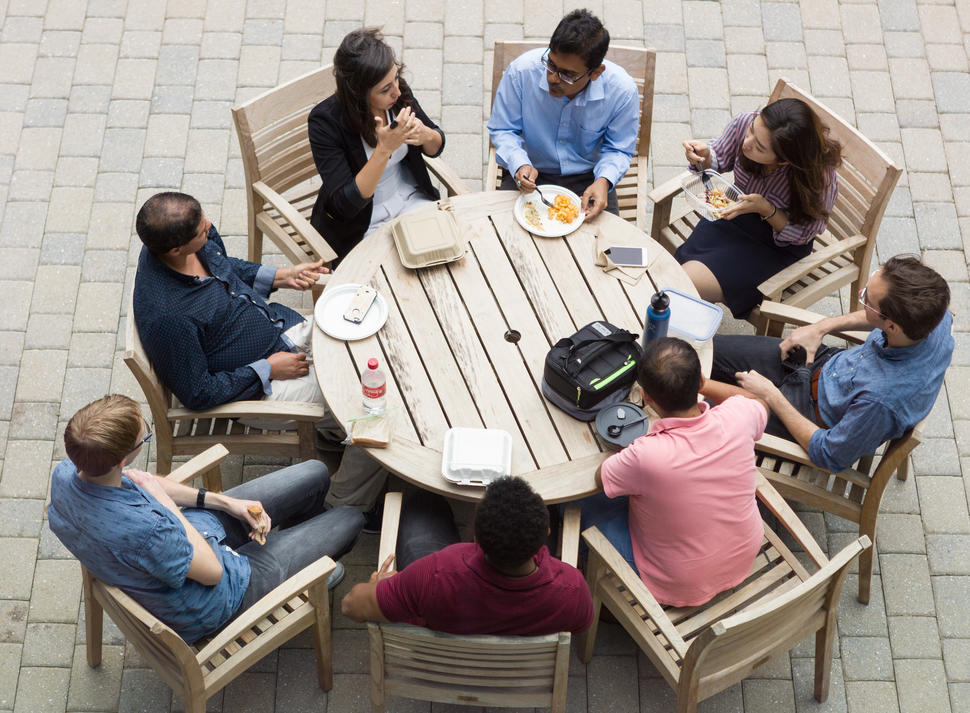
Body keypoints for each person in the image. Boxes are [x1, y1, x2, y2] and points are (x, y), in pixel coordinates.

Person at [132, 191, 386, 512]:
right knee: (373, 413)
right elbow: (198, 392)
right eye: (201, 230)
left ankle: (331, 431)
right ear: (175, 249)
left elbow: (224, 267)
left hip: (281, 328)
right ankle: (342, 506)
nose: (209, 225)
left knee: (373, 332)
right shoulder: (170, 317)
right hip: (260, 389)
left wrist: (280, 276)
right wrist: (268, 368)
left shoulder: (187, 239)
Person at [48, 395, 364, 644]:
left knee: (316, 472)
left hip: (183, 545)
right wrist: (168, 508)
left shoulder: (69, 472)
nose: (146, 431)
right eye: (144, 436)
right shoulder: (150, 532)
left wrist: (225, 502)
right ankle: (304, 573)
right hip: (219, 597)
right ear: (120, 459)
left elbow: (144, 482)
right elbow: (212, 573)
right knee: (351, 518)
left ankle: (297, 556)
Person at [703, 255, 953, 474]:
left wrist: (771, 396)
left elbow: (828, 455)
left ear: (892, 327)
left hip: (809, 416)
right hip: (823, 365)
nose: (860, 294)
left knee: (697, 412)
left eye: (866, 299)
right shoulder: (935, 314)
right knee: (704, 348)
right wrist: (822, 327)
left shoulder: (881, 403)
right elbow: (876, 318)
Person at [578, 338, 767, 607]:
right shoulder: (739, 416)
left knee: (583, 502)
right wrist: (704, 385)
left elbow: (601, 477)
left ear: (646, 397)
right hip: (744, 553)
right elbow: (758, 402)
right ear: (701, 381)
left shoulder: (646, 455)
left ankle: (603, 600)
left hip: (680, 585)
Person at [340, 478, 593, 636]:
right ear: (546, 533)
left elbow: (350, 606)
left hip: (444, 644)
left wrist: (378, 586)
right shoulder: (572, 589)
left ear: (475, 538)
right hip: (515, 673)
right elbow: (581, 627)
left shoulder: (434, 574)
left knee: (423, 502)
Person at [676, 98, 842, 318]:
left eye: (760, 147)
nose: (747, 143)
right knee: (679, 273)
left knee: (684, 282)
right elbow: (719, 157)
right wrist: (704, 157)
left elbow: (804, 233)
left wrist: (766, 209)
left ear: (784, 161)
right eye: (752, 130)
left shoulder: (818, 178)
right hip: (735, 214)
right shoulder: (746, 122)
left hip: (778, 245)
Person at [487, 9, 638, 220]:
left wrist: (604, 181)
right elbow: (503, 129)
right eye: (550, 64)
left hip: (590, 178)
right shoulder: (521, 73)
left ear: (596, 73)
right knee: (502, 233)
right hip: (529, 170)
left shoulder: (622, 92)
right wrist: (519, 163)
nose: (553, 78)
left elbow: (618, 148)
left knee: (608, 240)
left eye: (568, 74)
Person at [309, 27, 445, 259]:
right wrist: (384, 149)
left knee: (442, 256)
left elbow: (436, 146)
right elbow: (347, 203)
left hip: (410, 198)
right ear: (359, 93)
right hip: (361, 224)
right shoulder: (325, 122)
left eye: (396, 78)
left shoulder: (398, 94)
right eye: (385, 89)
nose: (397, 91)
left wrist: (426, 136)